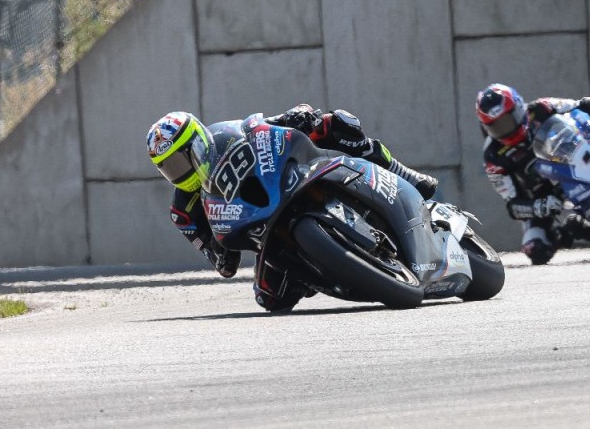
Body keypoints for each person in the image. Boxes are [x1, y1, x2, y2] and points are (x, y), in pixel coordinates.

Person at [146, 104, 438, 311]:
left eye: (182, 160)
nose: (179, 172)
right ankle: (338, 271)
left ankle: (402, 172)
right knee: (270, 300)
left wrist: (295, 116)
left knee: (335, 123)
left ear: (198, 141)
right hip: (265, 235)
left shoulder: (224, 137)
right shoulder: (183, 212)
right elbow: (224, 265)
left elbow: (260, 126)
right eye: (169, 168)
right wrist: (219, 242)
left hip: (281, 188)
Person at [475, 83, 590, 265]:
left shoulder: (541, 107)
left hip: (579, 161)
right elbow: (513, 204)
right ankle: (569, 230)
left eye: (508, 120)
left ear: (519, 108)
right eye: (496, 126)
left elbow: (579, 104)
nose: (505, 129)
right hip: (547, 197)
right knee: (535, 249)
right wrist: (539, 206)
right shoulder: (493, 156)